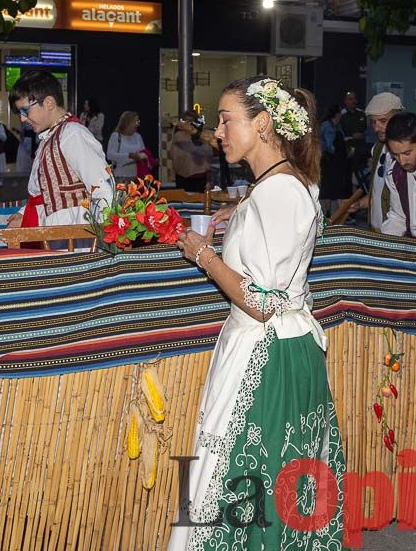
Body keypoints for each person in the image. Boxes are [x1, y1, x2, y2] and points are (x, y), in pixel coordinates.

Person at [170, 76, 343, 548]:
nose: (218, 132)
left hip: (270, 359)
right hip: (265, 350)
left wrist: (205, 255)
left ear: (263, 123)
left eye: (227, 120)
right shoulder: (273, 187)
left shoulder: (280, 192)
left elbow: (263, 302)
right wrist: (240, 211)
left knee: (251, 488)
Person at [6, 71, 113, 231]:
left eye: (25, 111)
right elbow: (44, 192)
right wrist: (24, 213)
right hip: (56, 237)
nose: (22, 118)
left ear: (49, 102)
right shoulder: (50, 137)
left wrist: (100, 239)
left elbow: (103, 190)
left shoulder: (72, 134)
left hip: (72, 243)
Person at [349, 91, 404, 230]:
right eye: (373, 122)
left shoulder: (409, 155)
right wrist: (360, 203)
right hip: (375, 232)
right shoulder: (377, 149)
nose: (377, 127)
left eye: (383, 121)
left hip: (397, 237)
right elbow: (378, 192)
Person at [169, 110, 215, 192]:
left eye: (191, 121)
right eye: (186, 121)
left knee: (199, 202)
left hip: (201, 178)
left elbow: (209, 155)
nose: (188, 124)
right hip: (183, 177)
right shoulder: (179, 137)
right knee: (183, 202)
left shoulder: (202, 136)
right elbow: (174, 156)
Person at [318, 103, 350, 213]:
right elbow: (329, 144)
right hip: (330, 162)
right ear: (336, 114)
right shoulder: (327, 125)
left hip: (338, 162)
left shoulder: (338, 126)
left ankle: (335, 215)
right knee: (328, 190)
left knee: (337, 190)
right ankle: (326, 214)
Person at [107, 111, 147, 181]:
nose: (138, 124)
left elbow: (144, 152)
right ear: (127, 123)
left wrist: (145, 157)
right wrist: (129, 155)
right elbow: (110, 155)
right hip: (120, 177)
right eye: (135, 121)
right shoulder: (116, 136)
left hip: (137, 178)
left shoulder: (138, 136)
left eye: (138, 121)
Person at [340, 90, 367, 187]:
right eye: (350, 99)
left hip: (360, 147)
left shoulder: (362, 114)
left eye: (355, 98)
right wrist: (352, 136)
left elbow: (365, 130)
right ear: (345, 101)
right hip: (347, 147)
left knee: (360, 171)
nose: (353, 101)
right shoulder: (341, 115)